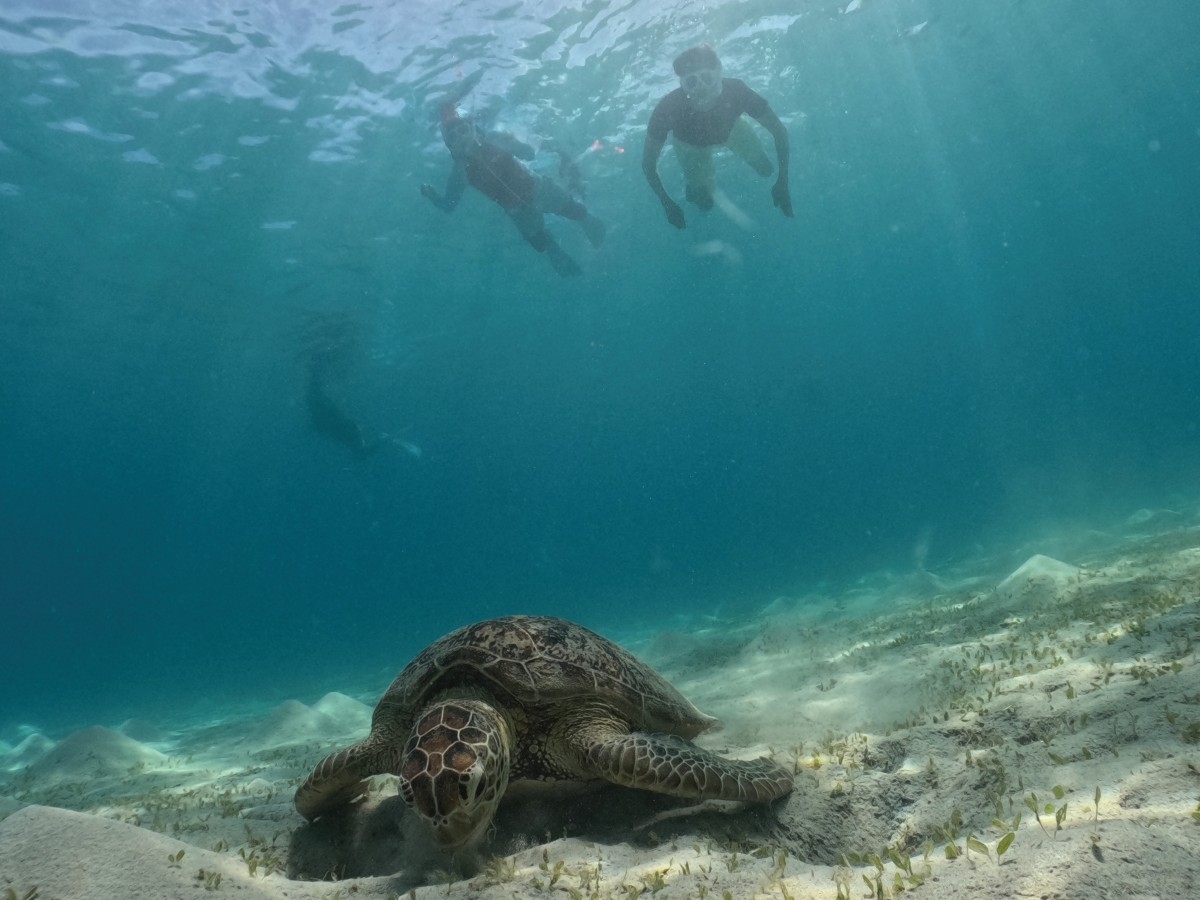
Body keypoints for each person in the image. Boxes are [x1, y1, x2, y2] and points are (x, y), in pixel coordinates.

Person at [421, 96, 607, 277]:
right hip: (517, 210)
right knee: (539, 241)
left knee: (570, 208)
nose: (461, 139)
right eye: (453, 137)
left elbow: (528, 153)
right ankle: (555, 250)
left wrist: (517, 145)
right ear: (450, 145)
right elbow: (449, 205)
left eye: (462, 130)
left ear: (472, 127)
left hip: (535, 186)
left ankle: (588, 222)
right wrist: (432, 196)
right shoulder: (459, 172)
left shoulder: (493, 139)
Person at [642, 45, 793, 229]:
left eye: (706, 77)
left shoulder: (738, 91)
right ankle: (694, 188)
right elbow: (648, 165)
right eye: (691, 82)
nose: (701, 88)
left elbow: (779, 131)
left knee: (766, 169)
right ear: (682, 84)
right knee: (705, 204)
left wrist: (782, 181)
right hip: (689, 145)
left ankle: (695, 185)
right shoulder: (667, 109)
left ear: (719, 70)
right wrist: (667, 203)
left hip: (731, 129)